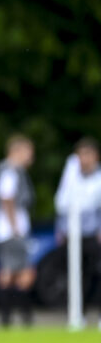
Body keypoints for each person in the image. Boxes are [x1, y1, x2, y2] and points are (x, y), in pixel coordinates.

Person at [54, 137, 101, 326]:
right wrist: (61, 228)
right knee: (76, 275)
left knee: (97, 274)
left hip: (94, 233)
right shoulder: (71, 177)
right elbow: (63, 204)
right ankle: (77, 315)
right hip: (73, 235)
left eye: (88, 154)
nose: (85, 159)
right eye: (81, 155)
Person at [0, 134, 35, 327]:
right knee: (20, 271)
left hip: (6, 231)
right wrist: (15, 227)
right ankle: (16, 317)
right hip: (11, 231)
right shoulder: (10, 171)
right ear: (15, 151)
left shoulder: (9, 171)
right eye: (28, 151)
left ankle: (9, 318)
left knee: (13, 271)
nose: (31, 156)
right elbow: (7, 198)